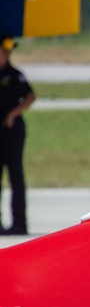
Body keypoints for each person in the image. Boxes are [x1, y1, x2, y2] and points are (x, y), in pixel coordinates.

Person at [0, 37, 35, 235]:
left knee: (16, 176)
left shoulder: (15, 75)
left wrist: (14, 113)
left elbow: (31, 96)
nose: (6, 56)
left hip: (12, 133)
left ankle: (19, 223)